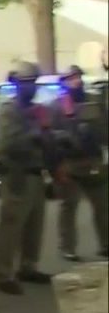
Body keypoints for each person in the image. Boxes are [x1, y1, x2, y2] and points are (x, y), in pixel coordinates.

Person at [0, 61, 57, 295]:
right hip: (16, 174)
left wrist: (52, 135)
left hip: (36, 173)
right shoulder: (9, 110)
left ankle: (28, 266)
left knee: (34, 225)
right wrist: (35, 133)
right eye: (27, 83)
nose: (31, 87)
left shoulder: (38, 109)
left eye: (34, 82)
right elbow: (7, 144)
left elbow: (47, 137)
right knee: (11, 227)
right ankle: (1, 274)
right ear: (17, 84)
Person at [51, 65, 108, 261]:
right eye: (70, 78)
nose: (76, 81)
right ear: (64, 82)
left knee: (102, 205)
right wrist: (57, 164)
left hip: (93, 160)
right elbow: (50, 136)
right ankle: (67, 247)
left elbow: (105, 129)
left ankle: (106, 244)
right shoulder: (57, 105)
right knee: (68, 207)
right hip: (69, 161)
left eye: (77, 77)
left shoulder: (94, 102)